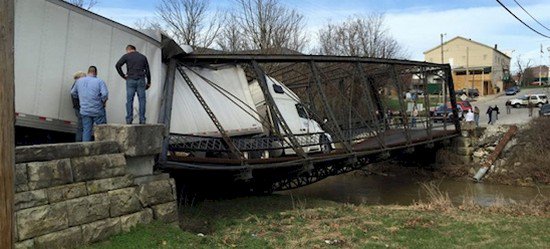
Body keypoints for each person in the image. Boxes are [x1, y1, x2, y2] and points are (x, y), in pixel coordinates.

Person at [71, 66, 108, 142]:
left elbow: (73, 92)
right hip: (97, 110)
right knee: (102, 130)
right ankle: (101, 146)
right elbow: (105, 94)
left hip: (84, 110)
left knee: (86, 130)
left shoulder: (79, 81)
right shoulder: (100, 81)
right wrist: (102, 102)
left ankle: (86, 148)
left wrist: (80, 98)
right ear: (96, 73)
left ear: (88, 72)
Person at [116, 44, 151, 124]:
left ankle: (129, 119)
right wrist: (149, 82)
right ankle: (142, 119)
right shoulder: (143, 57)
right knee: (142, 100)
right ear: (135, 49)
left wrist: (123, 75)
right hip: (141, 79)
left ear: (128, 49)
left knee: (129, 100)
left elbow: (117, 65)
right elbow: (147, 70)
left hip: (130, 79)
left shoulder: (126, 56)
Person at [70, 71, 87, 142]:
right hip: (79, 108)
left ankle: (79, 141)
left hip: (78, 108)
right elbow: (74, 94)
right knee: (81, 127)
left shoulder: (75, 84)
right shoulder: (78, 84)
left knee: (81, 126)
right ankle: (79, 142)